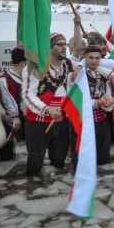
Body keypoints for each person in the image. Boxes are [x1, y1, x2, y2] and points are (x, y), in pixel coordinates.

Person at [21, 33, 73, 175]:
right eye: (60, 44)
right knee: (35, 160)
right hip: (38, 121)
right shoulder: (35, 66)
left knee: (59, 159)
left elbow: (70, 87)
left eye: (65, 44)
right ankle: (32, 189)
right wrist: (47, 109)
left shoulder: (68, 64)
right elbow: (27, 95)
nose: (64, 47)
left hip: (61, 119)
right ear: (49, 48)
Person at [82, 45, 114, 165]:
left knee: (103, 156)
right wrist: (97, 102)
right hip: (85, 122)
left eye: (97, 58)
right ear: (85, 57)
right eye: (90, 57)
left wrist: (108, 102)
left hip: (102, 120)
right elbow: (76, 101)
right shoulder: (78, 75)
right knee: (86, 158)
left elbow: (108, 97)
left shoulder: (104, 76)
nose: (94, 61)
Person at [0, 48, 27, 140]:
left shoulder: (27, 77)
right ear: (23, 63)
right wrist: (14, 116)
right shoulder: (4, 79)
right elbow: (6, 101)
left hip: (29, 123)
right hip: (16, 125)